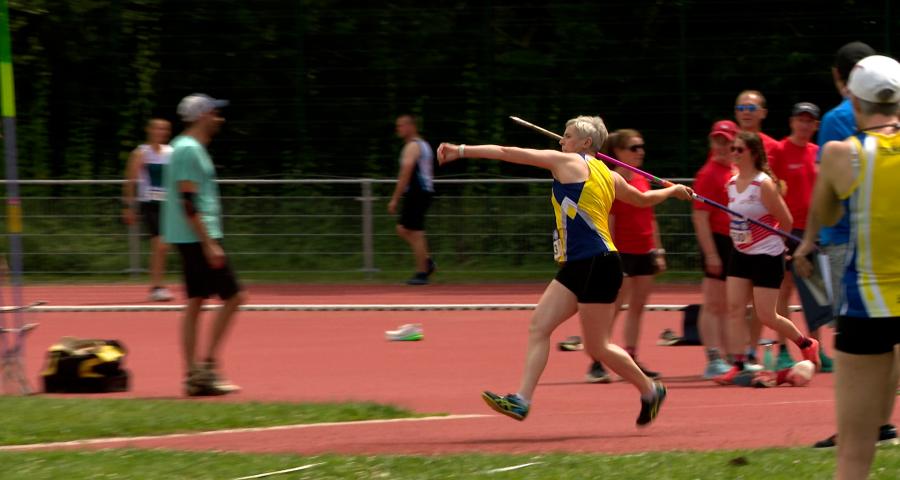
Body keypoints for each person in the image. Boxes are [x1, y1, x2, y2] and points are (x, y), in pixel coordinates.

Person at [436, 116, 693, 426]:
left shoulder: (566, 162)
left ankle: (651, 390)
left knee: (598, 346)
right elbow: (642, 199)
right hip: (581, 264)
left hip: (597, 262)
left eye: (567, 136)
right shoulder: (609, 175)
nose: (561, 140)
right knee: (540, 326)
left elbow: (508, 152)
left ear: (586, 143)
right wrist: (673, 191)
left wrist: (460, 150)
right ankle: (522, 400)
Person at [799, 55, 900, 480]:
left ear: (853, 101)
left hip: (867, 308)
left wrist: (804, 247)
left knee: (854, 457)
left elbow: (825, 213)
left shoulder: (844, 154)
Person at [713, 131, 820, 385]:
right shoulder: (730, 183)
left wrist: (772, 242)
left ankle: (806, 343)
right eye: (733, 149)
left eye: (739, 149)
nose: (734, 153)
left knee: (766, 316)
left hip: (767, 255)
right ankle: (738, 364)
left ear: (752, 153)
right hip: (740, 253)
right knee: (735, 310)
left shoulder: (763, 184)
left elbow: (787, 221)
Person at [162, 93, 245, 396]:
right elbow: (188, 201)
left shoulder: (186, 148)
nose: (219, 118)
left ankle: (195, 375)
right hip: (198, 236)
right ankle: (206, 367)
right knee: (235, 297)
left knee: (196, 302)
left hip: (192, 236)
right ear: (201, 116)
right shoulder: (188, 150)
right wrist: (209, 243)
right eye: (215, 113)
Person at [585, 129, 664, 383]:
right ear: (618, 153)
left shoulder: (642, 177)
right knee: (615, 307)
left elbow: (650, 216)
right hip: (623, 252)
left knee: (638, 308)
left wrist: (658, 249)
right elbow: (609, 220)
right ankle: (597, 360)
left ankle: (630, 356)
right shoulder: (613, 180)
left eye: (641, 147)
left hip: (644, 250)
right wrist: (609, 253)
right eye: (634, 147)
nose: (640, 151)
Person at [769, 103, 823, 371]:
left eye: (809, 121)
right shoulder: (779, 150)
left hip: (813, 229)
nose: (804, 125)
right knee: (784, 289)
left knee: (814, 291)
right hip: (785, 229)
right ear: (792, 122)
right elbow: (771, 186)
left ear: (815, 126)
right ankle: (781, 349)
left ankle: (818, 349)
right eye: (800, 120)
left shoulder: (817, 152)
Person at [691, 120, 739, 379]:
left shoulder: (734, 169)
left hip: (734, 241)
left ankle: (731, 355)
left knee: (730, 304)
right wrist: (710, 253)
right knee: (713, 303)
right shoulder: (709, 174)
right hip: (717, 241)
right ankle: (713, 357)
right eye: (717, 141)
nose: (721, 146)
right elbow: (700, 217)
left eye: (726, 141)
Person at [122, 118, 175, 302]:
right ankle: (157, 287)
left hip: (168, 203)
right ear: (149, 130)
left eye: (164, 129)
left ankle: (159, 285)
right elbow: (131, 181)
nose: (160, 132)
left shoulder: (171, 152)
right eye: (157, 128)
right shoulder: (141, 153)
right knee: (160, 244)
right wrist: (129, 207)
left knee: (164, 246)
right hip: (149, 203)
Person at [388, 114, 436, 285]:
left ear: (410, 126)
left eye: (401, 126)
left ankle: (422, 273)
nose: (398, 129)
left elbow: (406, 173)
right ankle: (426, 261)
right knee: (403, 229)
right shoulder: (423, 145)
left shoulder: (413, 146)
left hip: (418, 192)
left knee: (415, 233)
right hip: (422, 192)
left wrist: (395, 198)